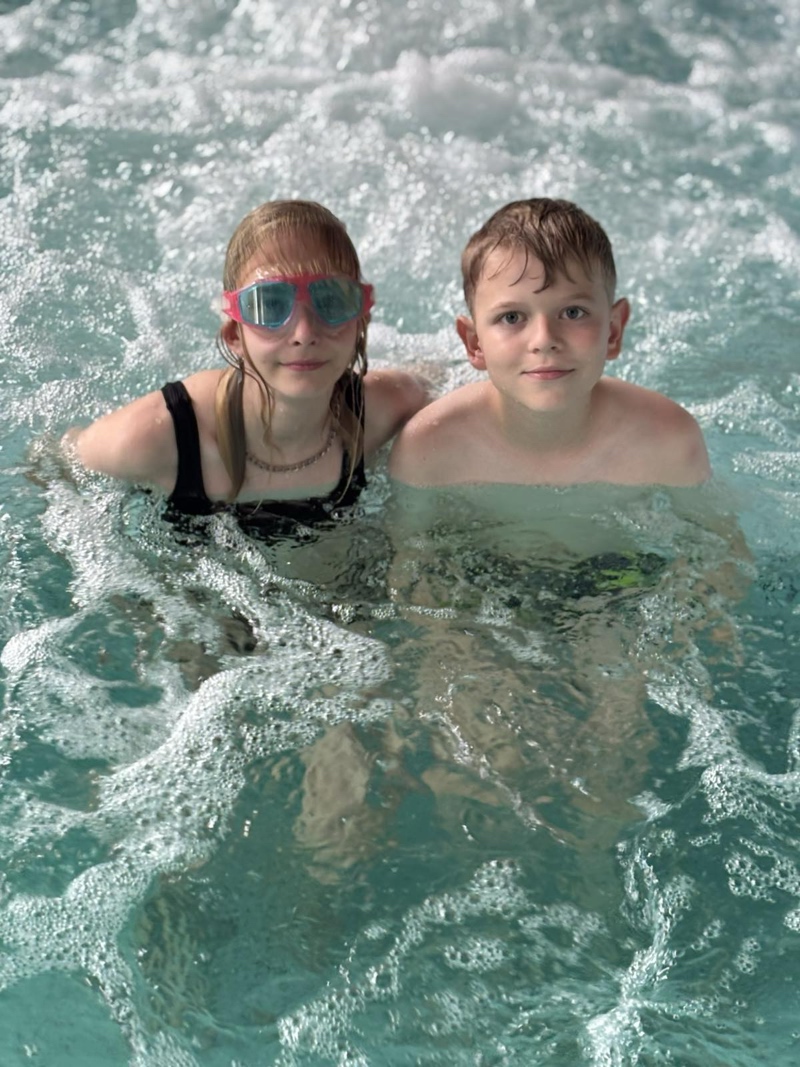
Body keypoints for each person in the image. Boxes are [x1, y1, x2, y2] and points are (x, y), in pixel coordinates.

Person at [65, 199, 430, 534]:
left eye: (332, 300)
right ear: (233, 335)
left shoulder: (385, 412)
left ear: (361, 320)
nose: (304, 333)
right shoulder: (153, 438)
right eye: (270, 305)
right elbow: (55, 463)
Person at [388, 197, 711, 488]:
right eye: (512, 317)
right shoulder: (430, 447)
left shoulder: (668, 440)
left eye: (572, 312)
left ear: (613, 331)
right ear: (474, 343)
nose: (544, 340)